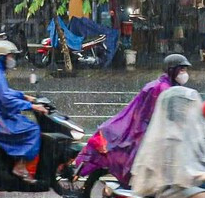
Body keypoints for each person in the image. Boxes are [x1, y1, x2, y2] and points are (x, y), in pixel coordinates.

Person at [75, 53, 192, 186]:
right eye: (182, 70)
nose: (185, 73)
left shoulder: (167, 86)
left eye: (185, 70)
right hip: (147, 132)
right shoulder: (161, 89)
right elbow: (160, 115)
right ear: (172, 70)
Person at [0, 40, 46, 182]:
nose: (12, 59)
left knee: (23, 121)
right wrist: (31, 106)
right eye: (10, 56)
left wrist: (24, 96)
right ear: (2, 57)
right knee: (32, 128)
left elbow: (4, 92)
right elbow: (6, 100)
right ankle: (20, 165)